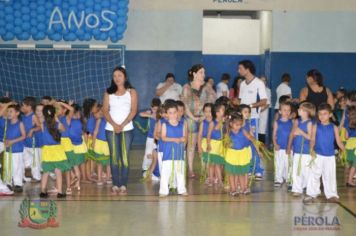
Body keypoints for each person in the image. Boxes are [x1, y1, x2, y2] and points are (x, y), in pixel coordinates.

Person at [103, 66, 137, 196]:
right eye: (114, 76)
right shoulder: (108, 92)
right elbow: (105, 110)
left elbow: (133, 110)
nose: (117, 78)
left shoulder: (132, 92)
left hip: (126, 129)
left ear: (125, 77)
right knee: (114, 157)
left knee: (124, 157)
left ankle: (123, 184)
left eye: (119, 75)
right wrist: (114, 124)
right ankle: (115, 184)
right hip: (110, 129)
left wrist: (122, 125)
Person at [304, 103, 345, 203]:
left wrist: (344, 150)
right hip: (317, 155)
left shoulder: (334, 127)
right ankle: (312, 193)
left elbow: (338, 141)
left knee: (329, 175)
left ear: (330, 115)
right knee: (314, 174)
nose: (322, 116)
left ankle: (331, 194)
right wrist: (311, 149)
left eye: (325, 114)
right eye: (320, 114)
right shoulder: (316, 126)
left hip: (330, 156)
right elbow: (312, 139)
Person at [238, 60, 268, 179]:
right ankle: (249, 167)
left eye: (240, 68)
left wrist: (250, 106)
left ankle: (258, 169)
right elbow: (241, 101)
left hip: (253, 118)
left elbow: (264, 101)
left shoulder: (259, 83)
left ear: (247, 69)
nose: (238, 71)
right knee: (245, 143)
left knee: (253, 142)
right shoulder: (242, 84)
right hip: (242, 119)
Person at [181, 64, 207, 178]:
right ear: (194, 74)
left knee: (204, 145)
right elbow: (185, 105)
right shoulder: (187, 87)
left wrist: (206, 116)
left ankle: (205, 169)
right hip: (191, 118)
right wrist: (194, 118)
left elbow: (212, 102)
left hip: (205, 118)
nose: (203, 75)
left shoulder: (206, 87)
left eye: (204, 72)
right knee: (191, 146)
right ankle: (190, 169)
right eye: (201, 72)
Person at [39, 105, 71, 198]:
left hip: (47, 150)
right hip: (57, 150)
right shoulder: (58, 124)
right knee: (58, 171)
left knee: (46, 172)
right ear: (54, 114)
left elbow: (43, 124)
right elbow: (64, 130)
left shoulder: (42, 124)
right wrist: (57, 119)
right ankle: (60, 192)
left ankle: (43, 191)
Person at [159, 101, 188, 197]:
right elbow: (163, 137)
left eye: (175, 112)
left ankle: (182, 189)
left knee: (180, 172)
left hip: (178, 154)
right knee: (165, 172)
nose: (173, 115)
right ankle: (163, 191)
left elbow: (184, 137)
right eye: (170, 113)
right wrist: (175, 139)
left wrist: (183, 139)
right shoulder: (165, 125)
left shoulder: (182, 125)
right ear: (166, 114)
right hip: (168, 154)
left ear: (178, 113)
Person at [287, 102, 315, 196]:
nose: (298, 110)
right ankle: (297, 189)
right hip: (297, 150)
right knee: (296, 170)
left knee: (306, 170)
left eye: (301, 109)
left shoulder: (309, 123)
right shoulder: (297, 121)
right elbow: (293, 133)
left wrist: (301, 132)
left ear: (306, 112)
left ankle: (308, 187)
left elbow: (310, 137)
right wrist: (289, 146)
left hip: (306, 151)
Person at [224, 112, 254, 196]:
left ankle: (244, 188)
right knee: (232, 173)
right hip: (232, 155)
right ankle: (233, 189)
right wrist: (228, 144)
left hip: (242, 154)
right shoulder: (228, 132)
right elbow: (225, 144)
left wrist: (253, 139)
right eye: (236, 125)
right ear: (231, 123)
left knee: (242, 172)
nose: (238, 126)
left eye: (240, 124)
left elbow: (249, 137)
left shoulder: (243, 130)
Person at [2, 104, 26, 193]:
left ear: (17, 113)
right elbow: (6, 135)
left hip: (17, 149)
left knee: (17, 167)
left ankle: (18, 184)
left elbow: (24, 136)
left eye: (11, 111)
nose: (8, 113)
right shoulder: (7, 123)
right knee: (8, 166)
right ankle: (8, 182)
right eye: (8, 111)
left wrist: (13, 141)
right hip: (8, 149)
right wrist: (6, 141)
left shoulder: (20, 123)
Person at [21, 96, 41, 182]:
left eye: (23, 106)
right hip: (24, 142)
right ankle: (22, 176)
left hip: (33, 143)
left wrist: (32, 129)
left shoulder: (33, 116)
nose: (22, 107)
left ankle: (37, 177)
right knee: (23, 160)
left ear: (29, 107)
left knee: (35, 161)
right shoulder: (23, 116)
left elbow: (39, 127)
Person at [272, 101, 293, 187]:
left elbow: (292, 135)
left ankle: (288, 178)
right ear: (280, 111)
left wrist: (291, 146)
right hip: (279, 147)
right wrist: (275, 144)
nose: (286, 112)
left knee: (288, 164)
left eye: (288, 110)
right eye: (284, 110)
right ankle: (278, 179)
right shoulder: (277, 122)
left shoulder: (292, 122)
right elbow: (274, 135)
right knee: (279, 163)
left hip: (289, 148)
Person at [139, 98, 161, 176]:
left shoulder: (161, 114)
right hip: (150, 138)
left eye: (157, 109)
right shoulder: (150, 112)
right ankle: (145, 168)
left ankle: (154, 168)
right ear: (151, 107)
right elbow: (141, 114)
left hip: (158, 138)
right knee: (148, 153)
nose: (155, 111)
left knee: (155, 154)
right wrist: (151, 115)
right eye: (154, 109)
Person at [68, 104, 87, 191]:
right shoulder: (81, 122)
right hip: (80, 147)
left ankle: (74, 177)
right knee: (75, 166)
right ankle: (78, 183)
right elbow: (84, 135)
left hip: (74, 147)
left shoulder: (72, 121)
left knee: (72, 166)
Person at [207, 103, 226, 186]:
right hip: (213, 144)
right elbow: (210, 134)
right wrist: (208, 144)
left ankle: (219, 180)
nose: (224, 112)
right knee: (212, 163)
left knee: (218, 163)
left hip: (220, 145)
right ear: (217, 113)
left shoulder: (224, 122)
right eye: (223, 110)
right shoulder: (213, 123)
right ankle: (211, 179)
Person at [92, 106, 112, 185]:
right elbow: (95, 131)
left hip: (107, 143)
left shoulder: (112, 121)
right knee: (99, 162)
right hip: (99, 143)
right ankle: (99, 179)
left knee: (108, 162)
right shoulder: (99, 120)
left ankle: (108, 177)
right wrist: (93, 143)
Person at [197, 103, 214, 185]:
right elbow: (199, 135)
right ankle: (207, 176)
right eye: (206, 111)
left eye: (210, 111)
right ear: (203, 112)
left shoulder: (215, 122)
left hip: (213, 143)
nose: (208, 113)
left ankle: (213, 177)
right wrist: (199, 147)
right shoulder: (203, 123)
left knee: (213, 161)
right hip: (204, 143)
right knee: (205, 162)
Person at [258, 75, 271, 143]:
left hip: (263, 112)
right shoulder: (255, 89)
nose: (263, 82)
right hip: (254, 113)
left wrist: (260, 110)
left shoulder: (268, 90)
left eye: (264, 80)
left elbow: (268, 103)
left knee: (261, 131)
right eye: (261, 80)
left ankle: (261, 149)